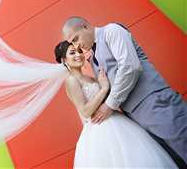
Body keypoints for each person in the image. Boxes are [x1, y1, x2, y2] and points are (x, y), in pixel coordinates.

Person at [61, 16, 187, 168]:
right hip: (135, 118)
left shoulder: (112, 31)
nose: (77, 45)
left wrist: (109, 105)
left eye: (76, 39)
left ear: (86, 27)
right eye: (72, 43)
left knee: (183, 142)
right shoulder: (93, 58)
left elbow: (130, 66)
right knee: (174, 159)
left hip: (155, 102)